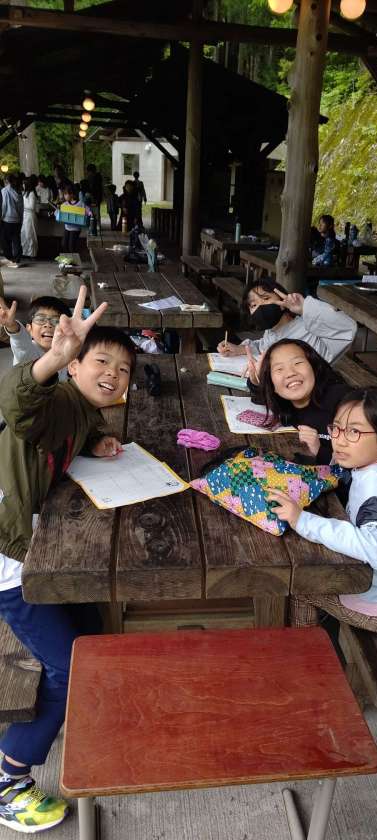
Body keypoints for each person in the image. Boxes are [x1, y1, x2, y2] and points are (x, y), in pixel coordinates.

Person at [0, 288, 136, 833]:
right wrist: (51, 358)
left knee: (91, 626)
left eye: (123, 370)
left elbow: (74, 423)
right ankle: (9, 777)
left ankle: (82, 716)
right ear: (74, 364)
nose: (113, 375)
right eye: (101, 361)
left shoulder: (77, 409)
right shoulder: (53, 399)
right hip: (9, 561)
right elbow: (20, 404)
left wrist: (96, 441)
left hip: (36, 548)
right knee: (68, 665)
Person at [267, 387, 377, 635]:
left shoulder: (376, 485)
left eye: (354, 432)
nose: (339, 440)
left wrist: (302, 520)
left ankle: (308, 653)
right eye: (336, 428)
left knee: (299, 588)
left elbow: (374, 547)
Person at [217, 278, 357, 365]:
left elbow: (347, 329)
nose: (260, 306)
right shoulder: (272, 331)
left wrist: (304, 308)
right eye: (253, 305)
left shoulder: (309, 329)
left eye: (266, 298)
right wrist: (241, 349)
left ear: (282, 301)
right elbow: (263, 347)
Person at [258, 339, 351, 463]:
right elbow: (261, 396)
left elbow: (363, 460)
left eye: (297, 363)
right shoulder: (284, 404)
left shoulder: (342, 400)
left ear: (314, 367)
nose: (290, 373)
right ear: (272, 385)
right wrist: (254, 381)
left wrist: (319, 451)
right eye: (279, 369)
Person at [0, 295, 72, 380]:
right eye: (40, 319)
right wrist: (12, 326)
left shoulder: (66, 352)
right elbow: (21, 343)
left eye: (56, 321)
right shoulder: (27, 351)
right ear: (29, 329)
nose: (48, 325)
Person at [0, 174, 24, 268]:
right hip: (16, 219)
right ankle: (17, 258)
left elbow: (4, 205)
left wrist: (1, 216)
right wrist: (20, 218)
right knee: (16, 239)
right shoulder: (18, 191)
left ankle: (9, 258)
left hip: (7, 219)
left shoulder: (4, 191)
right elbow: (21, 207)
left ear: (6, 181)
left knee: (5, 240)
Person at [58, 184, 85, 253]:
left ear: (72, 194)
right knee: (64, 244)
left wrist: (89, 212)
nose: (64, 196)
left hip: (75, 229)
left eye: (66, 194)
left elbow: (86, 211)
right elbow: (60, 213)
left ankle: (73, 258)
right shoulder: (65, 204)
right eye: (64, 194)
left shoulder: (80, 204)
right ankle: (68, 258)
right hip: (67, 228)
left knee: (71, 246)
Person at [21, 177, 39, 259]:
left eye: (24, 183)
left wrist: (22, 206)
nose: (23, 185)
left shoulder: (32, 194)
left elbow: (32, 207)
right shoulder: (25, 193)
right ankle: (25, 252)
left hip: (30, 216)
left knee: (30, 235)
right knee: (24, 234)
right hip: (24, 215)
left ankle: (32, 254)